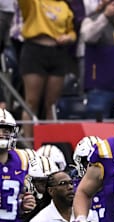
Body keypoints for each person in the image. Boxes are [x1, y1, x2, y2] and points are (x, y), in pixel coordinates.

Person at [18, 0, 76, 141]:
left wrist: (68, 37)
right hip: (35, 49)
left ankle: (51, 143)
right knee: (31, 101)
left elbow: (72, 31)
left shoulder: (64, 6)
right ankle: (29, 144)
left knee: (52, 104)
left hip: (58, 51)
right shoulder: (34, 2)